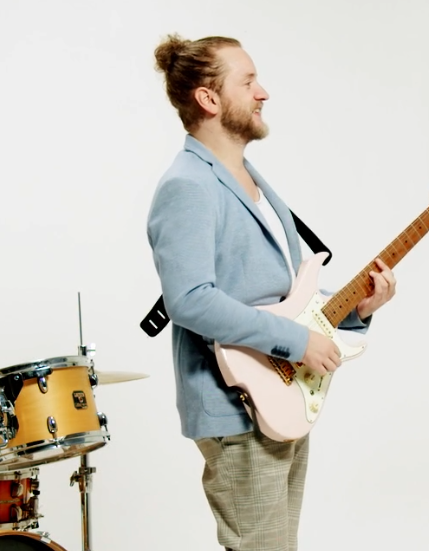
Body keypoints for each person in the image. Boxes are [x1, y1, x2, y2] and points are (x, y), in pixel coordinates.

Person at [146, 34, 396, 551]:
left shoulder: (248, 178)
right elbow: (190, 300)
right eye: (249, 81)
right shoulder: (188, 185)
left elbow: (279, 295)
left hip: (277, 396)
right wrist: (296, 343)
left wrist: (357, 311)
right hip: (233, 402)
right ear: (209, 99)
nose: (264, 92)